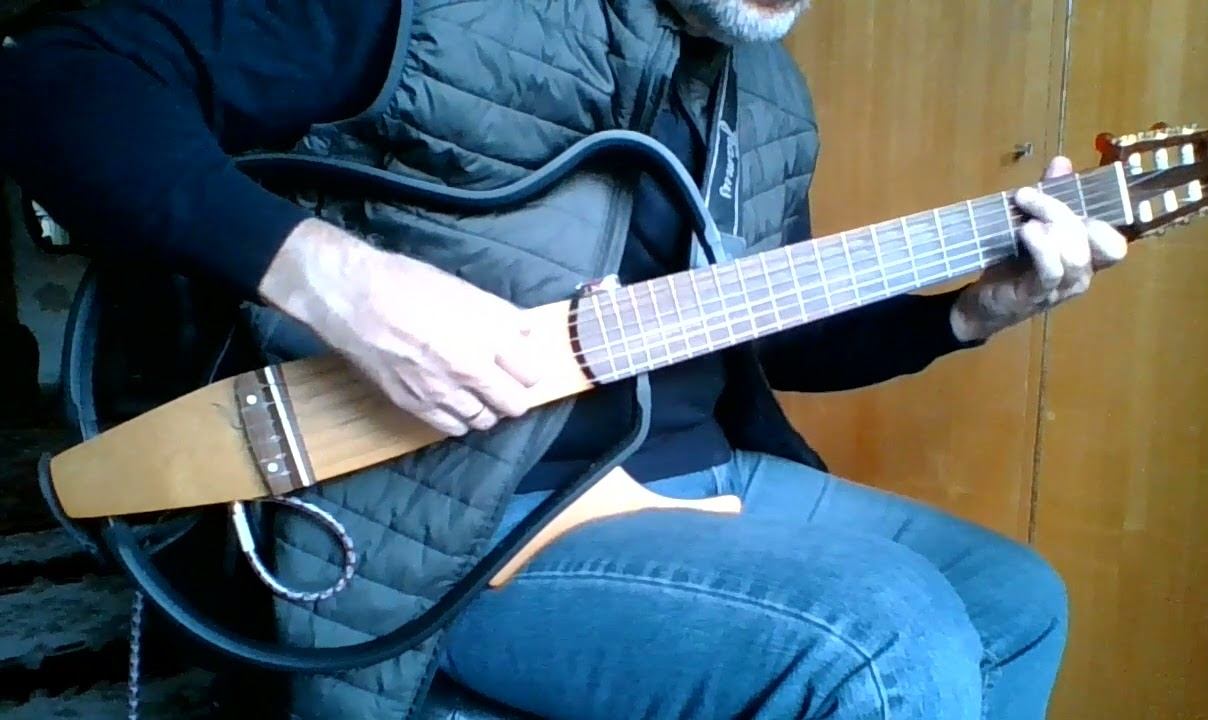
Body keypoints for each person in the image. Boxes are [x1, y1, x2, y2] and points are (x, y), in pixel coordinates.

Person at [0, 0, 1128, 718]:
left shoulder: (770, 94)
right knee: (881, 631)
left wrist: (965, 315)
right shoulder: (435, 15)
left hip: (690, 470)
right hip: (460, 505)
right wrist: (338, 283)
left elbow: (775, 333)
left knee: (1013, 600)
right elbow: (57, 83)